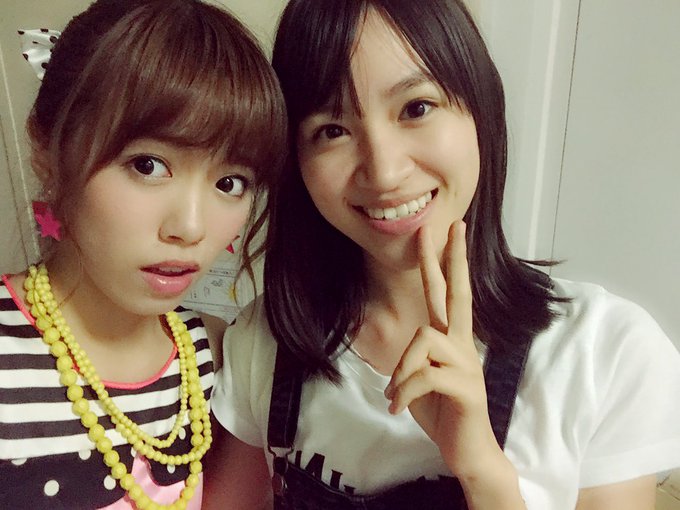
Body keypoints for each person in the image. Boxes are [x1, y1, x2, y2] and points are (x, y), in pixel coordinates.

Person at [206, 0, 680, 509]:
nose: (385, 172)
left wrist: (480, 468)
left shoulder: (606, 353)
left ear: (479, 109)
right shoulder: (265, 341)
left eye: (416, 108)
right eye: (332, 131)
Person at [0, 0, 285, 508]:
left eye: (230, 182)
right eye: (148, 165)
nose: (190, 227)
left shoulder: (213, 355)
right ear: (47, 149)